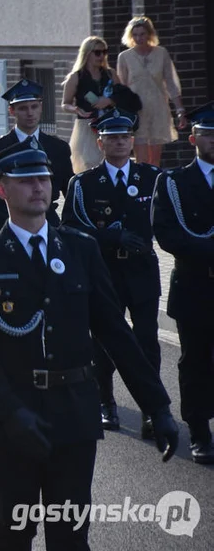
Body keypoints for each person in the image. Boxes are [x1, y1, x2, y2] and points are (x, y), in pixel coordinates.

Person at [0, 136, 179, 549]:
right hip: (13, 421)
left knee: (71, 535)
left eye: (43, 178)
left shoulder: (80, 249)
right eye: (25, 180)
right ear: (2, 190)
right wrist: (9, 413)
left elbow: (116, 332)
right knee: (13, 531)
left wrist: (158, 406)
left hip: (73, 415)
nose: (38, 187)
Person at [62, 110, 162, 438]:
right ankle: (106, 401)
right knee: (103, 341)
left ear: (132, 140)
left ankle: (151, 408)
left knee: (147, 340)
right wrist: (112, 236)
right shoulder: (84, 183)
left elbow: (165, 220)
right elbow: (71, 227)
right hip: (104, 270)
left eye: (125, 136)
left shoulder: (153, 177)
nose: (120, 142)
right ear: (100, 141)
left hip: (142, 270)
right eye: (112, 137)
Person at [151, 101, 214, 464]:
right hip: (194, 286)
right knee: (195, 363)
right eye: (207, 133)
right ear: (193, 138)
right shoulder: (173, 182)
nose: (213, 140)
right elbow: (167, 234)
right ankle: (200, 431)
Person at [0, 79, 73, 232]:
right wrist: (15, 228)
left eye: (34, 107)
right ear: (11, 111)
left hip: (49, 225)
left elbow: (70, 193)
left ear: (41, 107)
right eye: (22, 108)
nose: (30, 113)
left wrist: (66, 227)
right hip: (7, 227)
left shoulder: (58, 148)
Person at [115, 17, 186, 167]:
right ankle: (142, 187)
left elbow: (171, 83)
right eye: (135, 34)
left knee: (155, 158)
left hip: (158, 107)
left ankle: (155, 187)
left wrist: (179, 109)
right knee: (141, 157)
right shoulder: (125, 57)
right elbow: (122, 87)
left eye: (142, 34)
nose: (139, 38)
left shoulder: (161, 53)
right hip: (137, 109)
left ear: (149, 34)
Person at [61, 37, 117, 174]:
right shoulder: (76, 77)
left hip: (108, 124)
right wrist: (75, 109)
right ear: (87, 53)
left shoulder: (110, 74)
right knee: (88, 163)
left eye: (104, 52)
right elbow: (65, 104)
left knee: (109, 163)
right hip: (86, 125)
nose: (102, 56)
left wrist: (109, 101)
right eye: (97, 52)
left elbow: (124, 96)